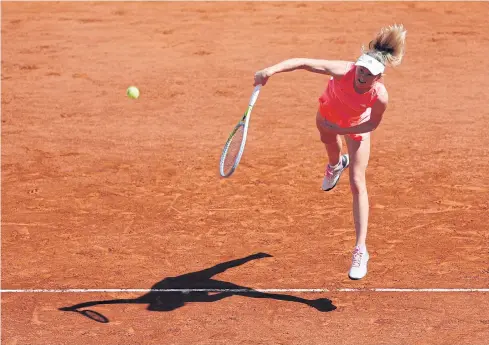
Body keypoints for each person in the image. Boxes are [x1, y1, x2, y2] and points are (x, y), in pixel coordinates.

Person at [253, 24, 407, 280]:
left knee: (357, 182)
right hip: (326, 117)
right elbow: (302, 62)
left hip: (356, 128)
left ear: (377, 78)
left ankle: (360, 249)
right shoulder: (342, 71)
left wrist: (347, 129)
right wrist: (270, 70)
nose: (362, 75)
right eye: (361, 68)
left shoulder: (380, 97)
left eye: (369, 73)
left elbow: (372, 124)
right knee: (328, 140)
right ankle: (335, 164)